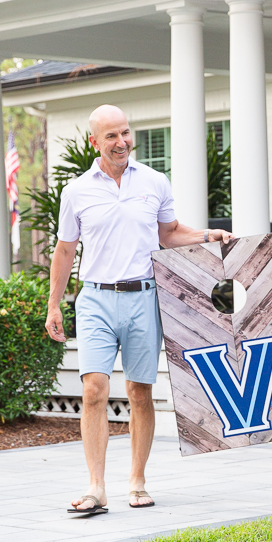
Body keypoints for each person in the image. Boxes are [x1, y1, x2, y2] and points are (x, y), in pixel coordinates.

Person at [45, 104, 230, 517]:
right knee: (93, 390)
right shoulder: (76, 191)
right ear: (94, 142)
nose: (121, 142)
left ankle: (138, 480)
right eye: (110, 136)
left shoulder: (153, 181)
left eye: (125, 133)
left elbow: (169, 233)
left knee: (139, 391)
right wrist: (54, 304)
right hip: (94, 298)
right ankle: (96, 486)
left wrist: (208, 234)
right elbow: (64, 250)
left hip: (145, 296)